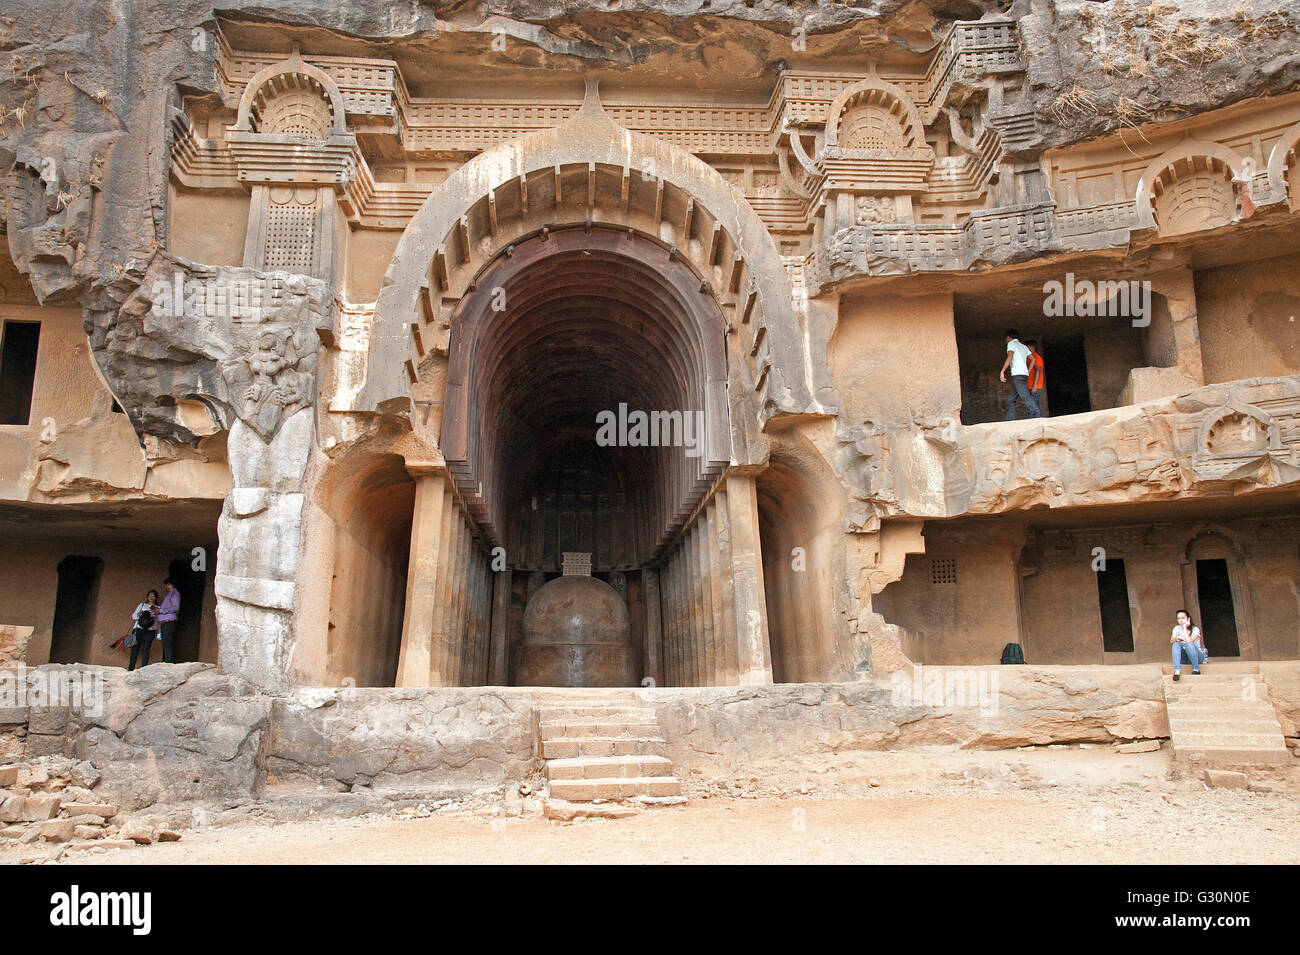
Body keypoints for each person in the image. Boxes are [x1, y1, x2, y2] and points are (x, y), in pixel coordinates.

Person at [999, 329, 1042, 420]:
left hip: (1017, 375)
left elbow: (1010, 356)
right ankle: (1010, 419)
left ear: (1009, 337)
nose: (1006, 340)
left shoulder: (1011, 344)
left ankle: (1036, 413)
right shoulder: (1023, 346)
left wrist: (1002, 371)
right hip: (1024, 375)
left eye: (1006, 338)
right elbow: (1033, 359)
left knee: (1025, 395)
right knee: (1011, 398)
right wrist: (1028, 371)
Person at [127, 590, 160, 671]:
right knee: (135, 649)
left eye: (153, 596)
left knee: (146, 649)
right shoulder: (142, 605)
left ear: (156, 597)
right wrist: (139, 615)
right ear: (147, 597)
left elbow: (159, 621)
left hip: (150, 630)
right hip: (139, 629)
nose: (151, 598)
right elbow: (134, 616)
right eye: (149, 596)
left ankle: (144, 669)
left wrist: (159, 632)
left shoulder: (158, 608)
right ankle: (130, 668)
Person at [1170, 609, 1204, 681]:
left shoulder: (1195, 629)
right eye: (1179, 618)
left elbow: (1190, 641)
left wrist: (1185, 628)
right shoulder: (1176, 628)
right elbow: (1172, 640)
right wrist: (1177, 638)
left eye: (1183, 618)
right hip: (1185, 658)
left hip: (1197, 657)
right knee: (1176, 644)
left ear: (1188, 619)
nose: (1181, 620)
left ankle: (1196, 669)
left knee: (1188, 645)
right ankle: (1177, 671)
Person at [157, 577, 181, 664]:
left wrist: (161, 610)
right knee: (166, 643)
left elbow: (175, 607)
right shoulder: (170, 594)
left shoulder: (174, 593)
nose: (165, 587)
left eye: (166, 585)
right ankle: (167, 661)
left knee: (167, 643)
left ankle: (169, 662)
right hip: (165, 622)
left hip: (169, 622)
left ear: (169, 584)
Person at [1025, 339, 1046, 415]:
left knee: (1032, 408)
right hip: (1030, 386)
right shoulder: (1029, 358)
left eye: (1026, 347)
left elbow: (1038, 371)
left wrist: (1034, 386)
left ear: (1032, 347)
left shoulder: (1037, 358)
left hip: (1035, 387)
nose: (1025, 349)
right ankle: (1043, 422)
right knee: (1037, 407)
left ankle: (1028, 424)